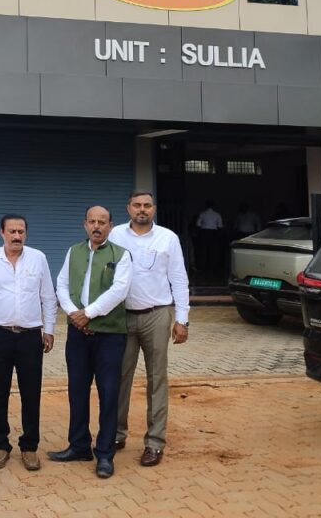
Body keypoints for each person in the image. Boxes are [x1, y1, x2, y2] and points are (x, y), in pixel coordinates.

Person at [49, 206, 132, 479]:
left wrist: (88, 314)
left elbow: (119, 291)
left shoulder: (121, 255)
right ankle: (79, 446)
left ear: (111, 226)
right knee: (77, 391)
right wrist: (74, 313)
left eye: (102, 222)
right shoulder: (74, 251)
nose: (97, 226)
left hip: (109, 335)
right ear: (85, 224)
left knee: (108, 393)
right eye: (92, 222)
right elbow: (61, 284)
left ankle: (105, 453)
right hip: (78, 334)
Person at [108, 192, 189, 468]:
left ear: (154, 209)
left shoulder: (168, 238)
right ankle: (116, 434)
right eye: (137, 205)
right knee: (119, 377)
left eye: (147, 205)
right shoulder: (115, 235)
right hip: (121, 316)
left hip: (157, 314)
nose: (141, 210)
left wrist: (182, 319)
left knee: (157, 379)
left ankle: (154, 442)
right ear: (128, 208)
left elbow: (179, 278)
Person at [0, 215, 56, 471]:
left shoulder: (38, 258)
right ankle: (1, 445)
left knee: (31, 393)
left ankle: (29, 447)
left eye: (21, 231)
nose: (17, 236)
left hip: (30, 336)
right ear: (2, 233)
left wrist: (49, 329)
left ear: (26, 234)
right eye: (12, 231)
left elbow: (48, 296)